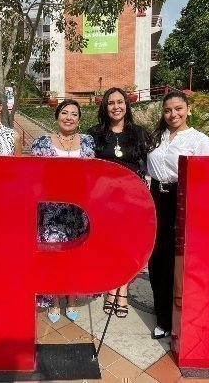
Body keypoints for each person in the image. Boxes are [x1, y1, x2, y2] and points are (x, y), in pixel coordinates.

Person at [146, 90, 209, 339]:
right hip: (155, 197)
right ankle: (160, 308)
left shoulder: (198, 140)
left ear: (188, 109)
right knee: (155, 256)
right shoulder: (156, 137)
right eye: (167, 110)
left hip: (181, 198)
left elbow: (204, 178)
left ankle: (168, 318)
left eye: (178, 109)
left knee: (175, 260)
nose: (173, 114)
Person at [87, 87, 150, 318]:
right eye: (111, 103)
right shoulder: (94, 134)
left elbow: (148, 167)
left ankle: (121, 289)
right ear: (105, 107)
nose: (116, 107)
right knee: (108, 245)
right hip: (103, 201)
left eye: (120, 102)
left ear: (126, 105)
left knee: (127, 246)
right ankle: (110, 287)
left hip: (131, 201)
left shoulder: (139, 133)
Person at [31, 99, 96, 323]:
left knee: (75, 255)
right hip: (51, 210)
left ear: (79, 119)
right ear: (57, 116)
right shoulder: (41, 142)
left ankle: (72, 298)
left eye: (74, 114)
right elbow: (36, 176)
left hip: (78, 211)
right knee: (54, 254)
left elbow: (91, 174)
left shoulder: (88, 142)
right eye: (64, 113)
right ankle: (55, 301)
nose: (69, 117)